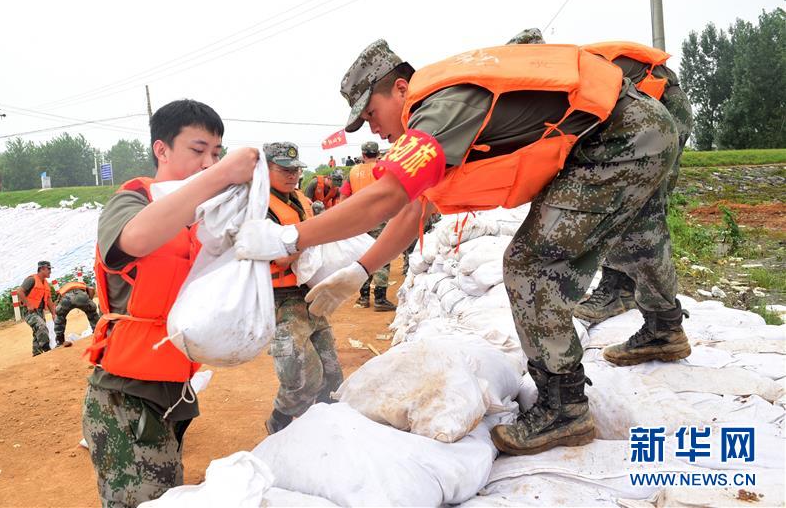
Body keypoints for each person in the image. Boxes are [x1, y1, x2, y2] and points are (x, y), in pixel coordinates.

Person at [235, 39, 689, 456]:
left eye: (370, 113)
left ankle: (563, 407)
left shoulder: (438, 110)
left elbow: (389, 195)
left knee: (530, 265)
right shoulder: (440, 120)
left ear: (398, 88)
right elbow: (413, 206)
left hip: (619, 138)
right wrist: (361, 269)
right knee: (638, 238)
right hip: (636, 129)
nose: (370, 127)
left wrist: (291, 237)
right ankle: (665, 329)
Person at [82, 99, 258, 507]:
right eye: (198, 151)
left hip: (173, 390)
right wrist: (220, 177)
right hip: (125, 395)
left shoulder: (207, 217)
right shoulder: (133, 200)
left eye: (216, 154)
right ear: (162, 149)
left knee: (168, 492)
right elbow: (134, 240)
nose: (208, 163)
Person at [506, 29, 694, 325]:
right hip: (639, 117)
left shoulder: (571, 71)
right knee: (614, 200)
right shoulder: (558, 73)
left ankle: (633, 299)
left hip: (665, 110)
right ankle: (620, 288)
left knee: (640, 204)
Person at [263, 142, 344, 434]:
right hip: (280, 300)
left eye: (296, 169)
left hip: (308, 294)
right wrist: (313, 239)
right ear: (265, 169)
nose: (293, 174)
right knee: (302, 378)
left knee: (332, 376)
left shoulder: (298, 198)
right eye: (284, 169)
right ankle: (278, 423)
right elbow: (280, 258)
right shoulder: (260, 207)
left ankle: (325, 433)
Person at [340, 140, 396, 311]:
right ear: (378, 154)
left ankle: (363, 298)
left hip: (359, 222)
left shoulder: (353, 172)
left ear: (363, 155)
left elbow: (343, 199)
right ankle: (380, 299)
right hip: (380, 218)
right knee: (382, 257)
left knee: (362, 257)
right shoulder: (384, 169)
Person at [18, 260, 56, 356]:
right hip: (30, 312)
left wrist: (54, 314)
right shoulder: (32, 280)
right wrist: (28, 304)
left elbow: (49, 300)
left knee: (37, 333)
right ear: (42, 269)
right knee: (41, 327)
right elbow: (20, 292)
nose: (50, 271)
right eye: (49, 269)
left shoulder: (46, 284)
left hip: (40, 312)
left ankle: (37, 354)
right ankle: (47, 349)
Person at [54, 280, 100, 347]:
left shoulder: (63, 288)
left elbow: (58, 300)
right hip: (81, 295)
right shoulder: (81, 284)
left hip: (66, 297)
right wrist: (90, 302)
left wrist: (58, 312)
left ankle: (60, 341)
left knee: (60, 318)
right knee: (92, 314)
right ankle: (98, 332)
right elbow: (91, 289)